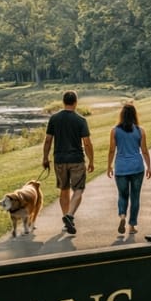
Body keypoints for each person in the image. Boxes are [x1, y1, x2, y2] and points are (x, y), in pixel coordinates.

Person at [42, 90, 94, 235]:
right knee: (78, 189)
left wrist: (45, 157)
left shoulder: (54, 119)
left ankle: (66, 218)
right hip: (76, 159)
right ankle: (69, 216)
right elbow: (87, 143)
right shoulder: (80, 120)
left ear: (63, 101)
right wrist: (91, 160)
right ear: (75, 102)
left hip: (59, 160)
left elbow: (48, 140)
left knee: (64, 190)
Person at [106, 101, 151, 235]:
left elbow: (111, 150)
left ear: (122, 115)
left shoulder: (114, 131)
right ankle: (132, 226)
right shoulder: (140, 131)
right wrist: (149, 167)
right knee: (135, 196)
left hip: (121, 168)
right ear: (134, 115)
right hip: (137, 167)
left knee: (122, 195)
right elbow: (144, 150)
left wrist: (109, 166)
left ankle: (122, 216)